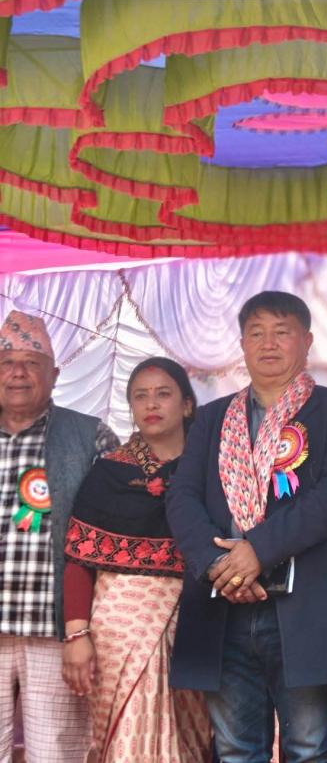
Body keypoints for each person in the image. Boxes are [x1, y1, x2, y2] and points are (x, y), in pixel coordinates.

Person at [166, 291, 327, 762]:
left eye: (282, 332)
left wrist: (256, 551)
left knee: (309, 747)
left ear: (307, 341)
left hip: (305, 605)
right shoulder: (213, 417)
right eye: (256, 333)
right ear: (242, 344)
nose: (268, 343)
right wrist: (219, 565)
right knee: (236, 750)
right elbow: (182, 497)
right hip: (223, 605)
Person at [61, 356, 211, 761]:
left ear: (187, 404)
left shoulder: (211, 470)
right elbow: (78, 559)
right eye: (140, 396)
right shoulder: (108, 474)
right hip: (118, 630)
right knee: (130, 740)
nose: (151, 404)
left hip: (198, 625)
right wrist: (76, 635)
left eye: (163, 394)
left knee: (192, 741)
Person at [0, 309, 118, 762]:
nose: (18, 373)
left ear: (54, 374)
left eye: (32, 363)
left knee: (55, 754)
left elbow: (107, 540)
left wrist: (81, 631)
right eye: (7, 362)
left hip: (57, 633)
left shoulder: (90, 437)